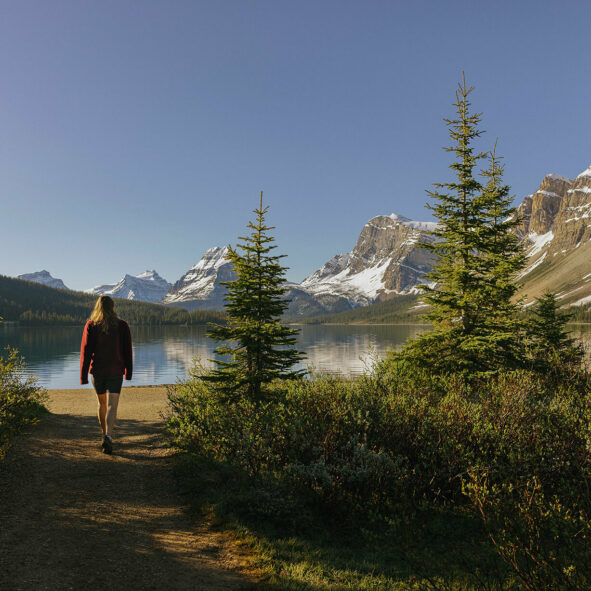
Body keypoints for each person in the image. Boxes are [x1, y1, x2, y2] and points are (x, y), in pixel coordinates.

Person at [80, 295, 133, 455]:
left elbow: (86, 352)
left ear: (98, 307)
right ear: (112, 307)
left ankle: (104, 434)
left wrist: (83, 375)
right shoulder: (122, 325)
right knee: (112, 405)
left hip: (97, 372)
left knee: (101, 404)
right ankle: (108, 436)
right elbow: (127, 351)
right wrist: (128, 373)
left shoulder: (91, 325)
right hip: (116, 371)